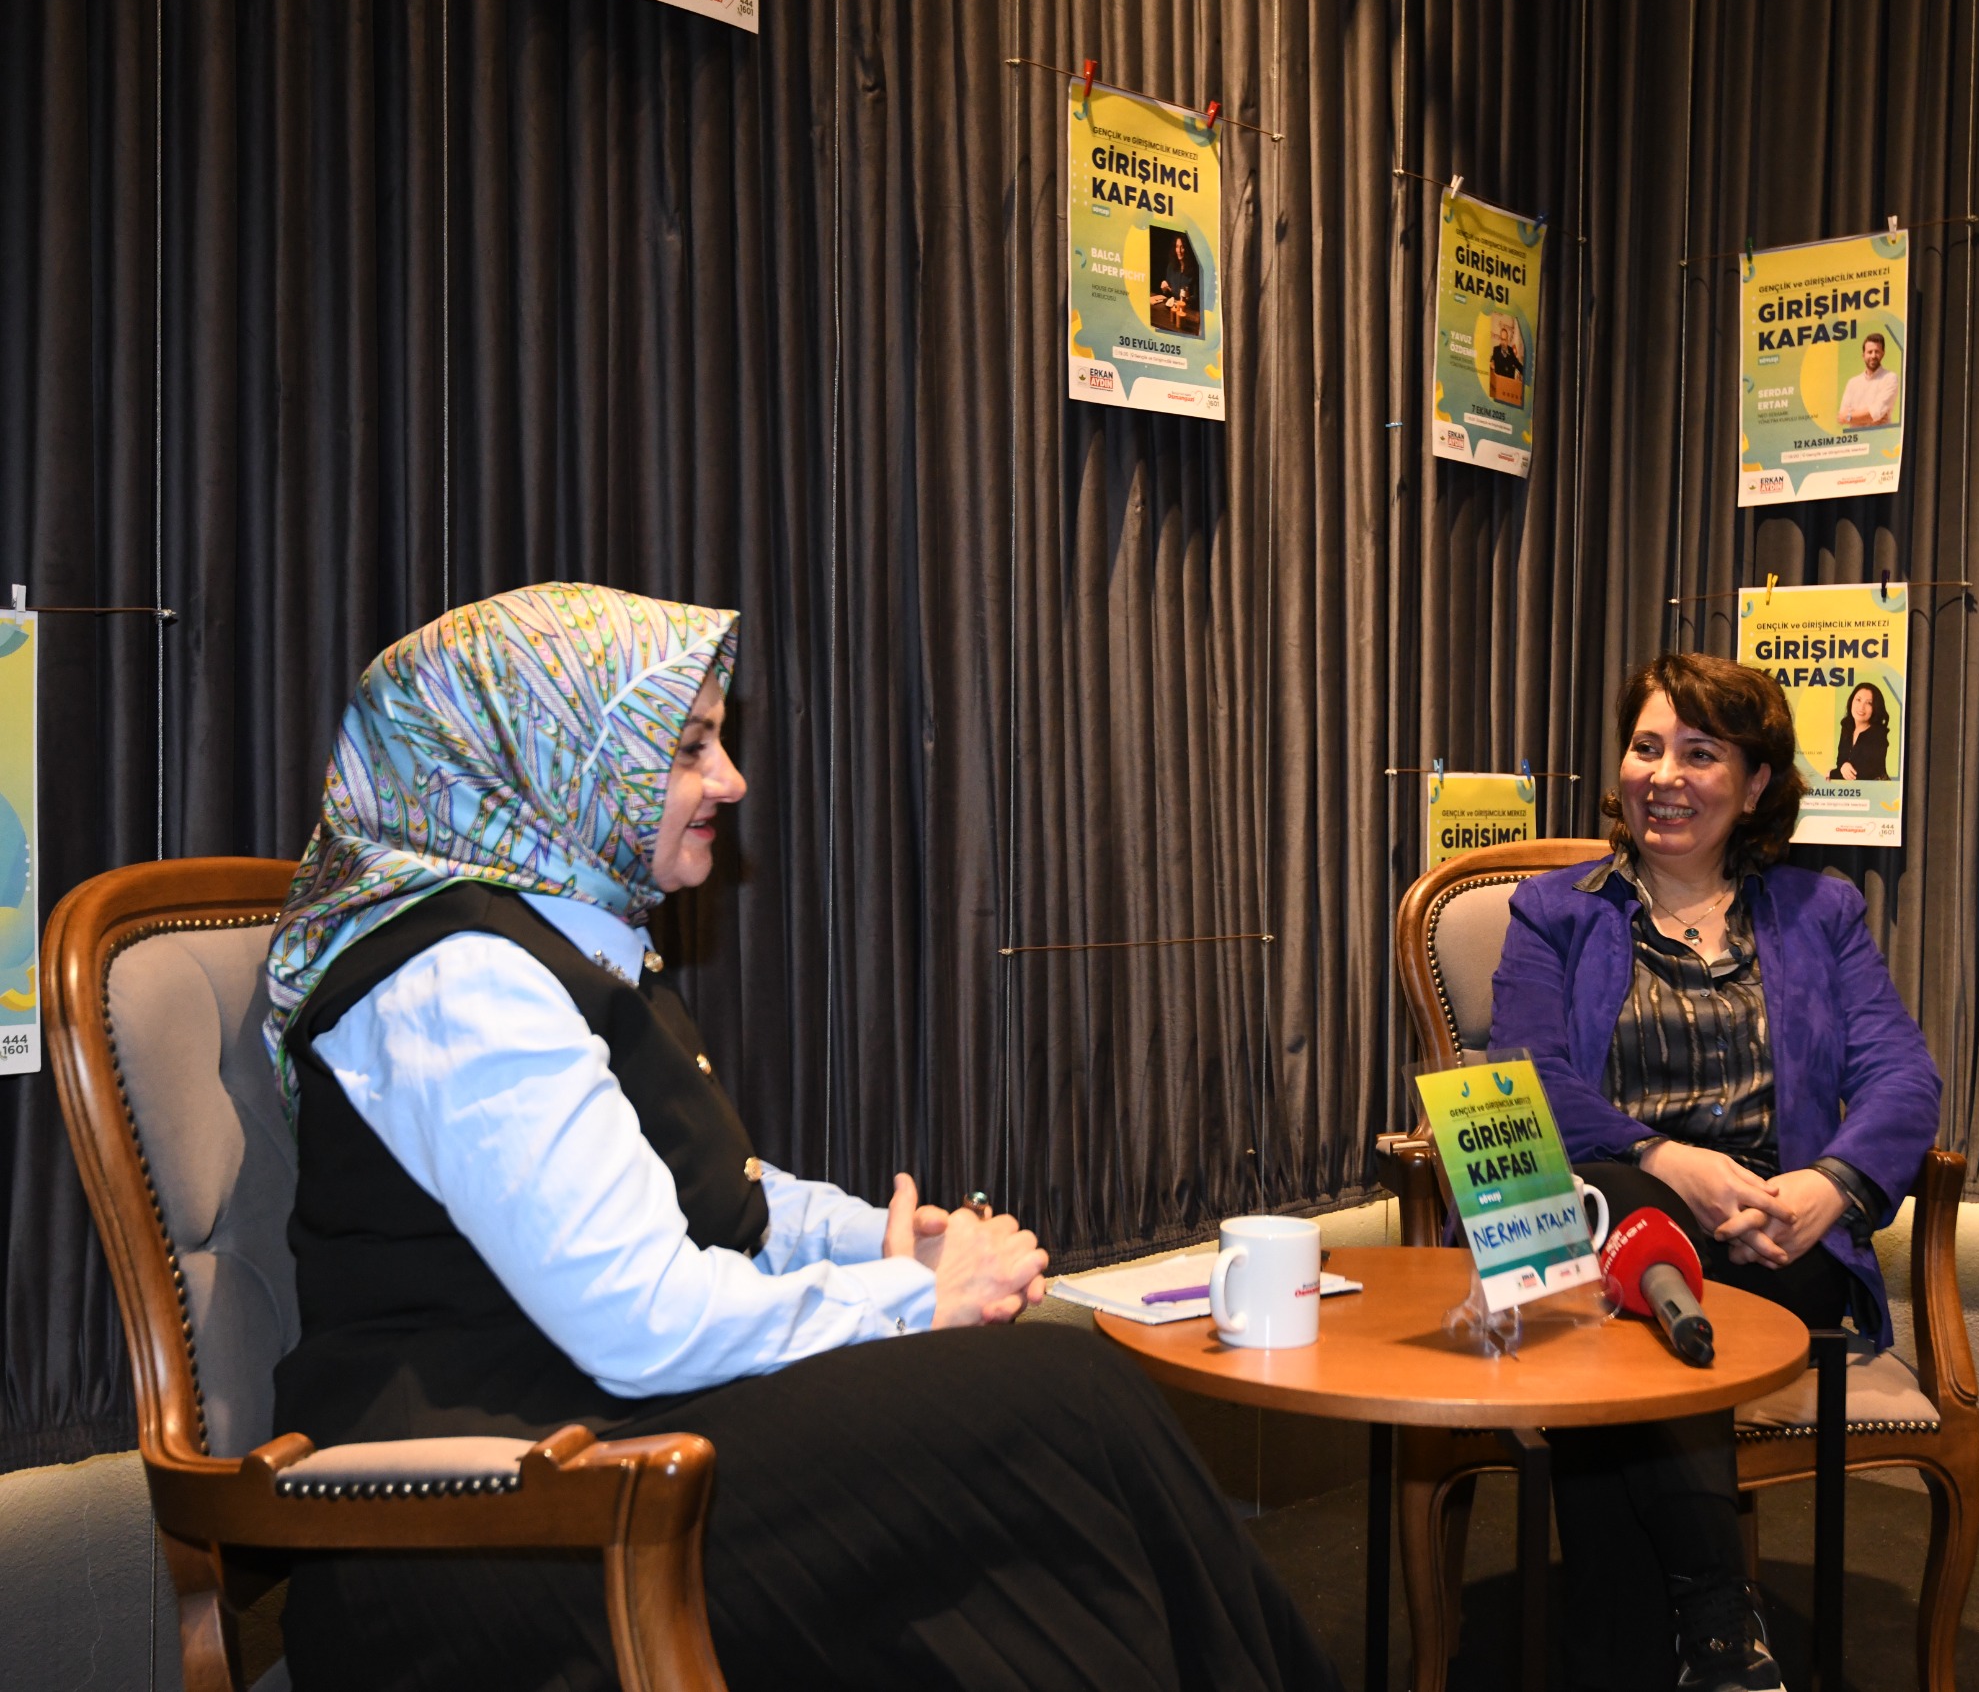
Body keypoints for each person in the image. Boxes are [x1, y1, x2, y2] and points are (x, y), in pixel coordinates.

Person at [263, 583, 1339, 1692]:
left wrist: (879, 1239)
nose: (731, 779)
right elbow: (643, 1320)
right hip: (475, 1534)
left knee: (1033, 1510)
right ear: (553, 759)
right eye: (689, 748)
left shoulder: (566, 941)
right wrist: (915, 1299)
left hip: (609, 1449)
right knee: (1058, 1398)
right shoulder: (462, 980)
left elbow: (721, 1193)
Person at [1489, 653, 1942, 1692]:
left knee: (1608, 1337)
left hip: (1774, 1243)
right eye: (1646, 747)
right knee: (1624, 1226)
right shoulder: (1555, 910)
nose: (1665, 776)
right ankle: (1717, 1618)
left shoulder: (1819, 912)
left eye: (1700, 754)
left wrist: (1829, 1185)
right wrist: (1664, 1157)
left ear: (1754, 782)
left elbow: (1902, 1076)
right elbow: (1523, 1077)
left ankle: (1634, 1654)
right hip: (1609, 1229)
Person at [1826, 681, 1891, 783]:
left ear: (1875, 708)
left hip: (1875, 789)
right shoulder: (1847, 727)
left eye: (1869, 703)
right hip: (1854, 789)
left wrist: (1832, 773)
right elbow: (1840, 763)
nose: (1861, 707)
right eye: (1858, 700)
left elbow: (1862, 775)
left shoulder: (1878, 735)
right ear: (1851, 701)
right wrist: (1843, 766)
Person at [1836, 334, 1899, 428]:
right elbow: (1841, 417)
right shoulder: (1852, 383)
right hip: (1857, 437)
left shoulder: (1890, 378)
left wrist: (1850, 417)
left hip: (1881, 435)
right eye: (1870, 352)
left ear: (1883, 353)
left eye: (1877, 352)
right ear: (1863, 355)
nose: (1873, 356)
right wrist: (1870, 419)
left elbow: (1876, 412)